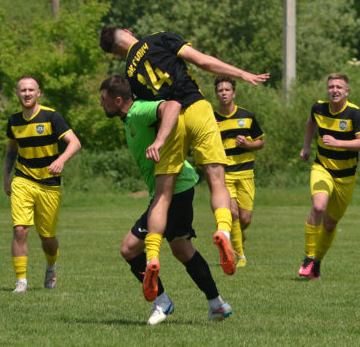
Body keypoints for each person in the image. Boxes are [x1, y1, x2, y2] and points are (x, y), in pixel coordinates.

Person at [100, 26, 269, 300]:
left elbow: (157, 110)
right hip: (196, 107)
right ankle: (223, 232)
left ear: (115, 53)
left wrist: (159, 140)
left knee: (161, 196)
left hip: (173, 121)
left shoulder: (130, 75)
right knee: (217, 180)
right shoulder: (159, 38)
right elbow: (201, 61)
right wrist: (241, 74)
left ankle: (153, 256)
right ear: (128, 31)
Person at [99, 75, 233, 324]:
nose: (100, 104)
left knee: (129, 248)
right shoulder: (131, 117)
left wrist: (160, 141)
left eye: (103, 99)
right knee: (182, 248)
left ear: (118, 100)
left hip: (173, 189)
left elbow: (171, 106)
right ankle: (217, 304)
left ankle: (162, 301)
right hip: (180, 185)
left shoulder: (139, 110)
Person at [4, 75, 81, 293]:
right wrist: (6, 177)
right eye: (23, 90)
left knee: (47, 238)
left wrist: (61, 160)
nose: (27, 93)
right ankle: (21, 281)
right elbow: (11, 149)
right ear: (17, 94)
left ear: (38, 93)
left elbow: (75, 143)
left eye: (31, 90)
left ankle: (51, 267)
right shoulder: (14, 121)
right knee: (20, 230)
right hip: (23, 179)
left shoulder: (51, 116)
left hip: (49, 184)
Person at [298, 73, 360, 279]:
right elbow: (311, 122)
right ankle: (308, 257)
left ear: (347, 91)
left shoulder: (355, 114)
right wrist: (306, 146)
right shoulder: (319, 108)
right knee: (318, 206)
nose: (334, 90)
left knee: (330, 225)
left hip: (346, 177)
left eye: (339, 87)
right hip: (322, 168)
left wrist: (339, 143)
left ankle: (317, 263)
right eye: (331, 87)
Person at [213, 76, 265, 267]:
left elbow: (261, 142)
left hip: (246, 173)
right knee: (232, 213)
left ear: (233, 93)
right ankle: (239, 256)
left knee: (245, 219)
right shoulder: (211, 119)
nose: (224, 93)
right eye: (220, 90)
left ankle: (238, 235)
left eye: (227, 90)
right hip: (224, 174)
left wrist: (248, 145)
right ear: (216, 94)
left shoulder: (247, 116)